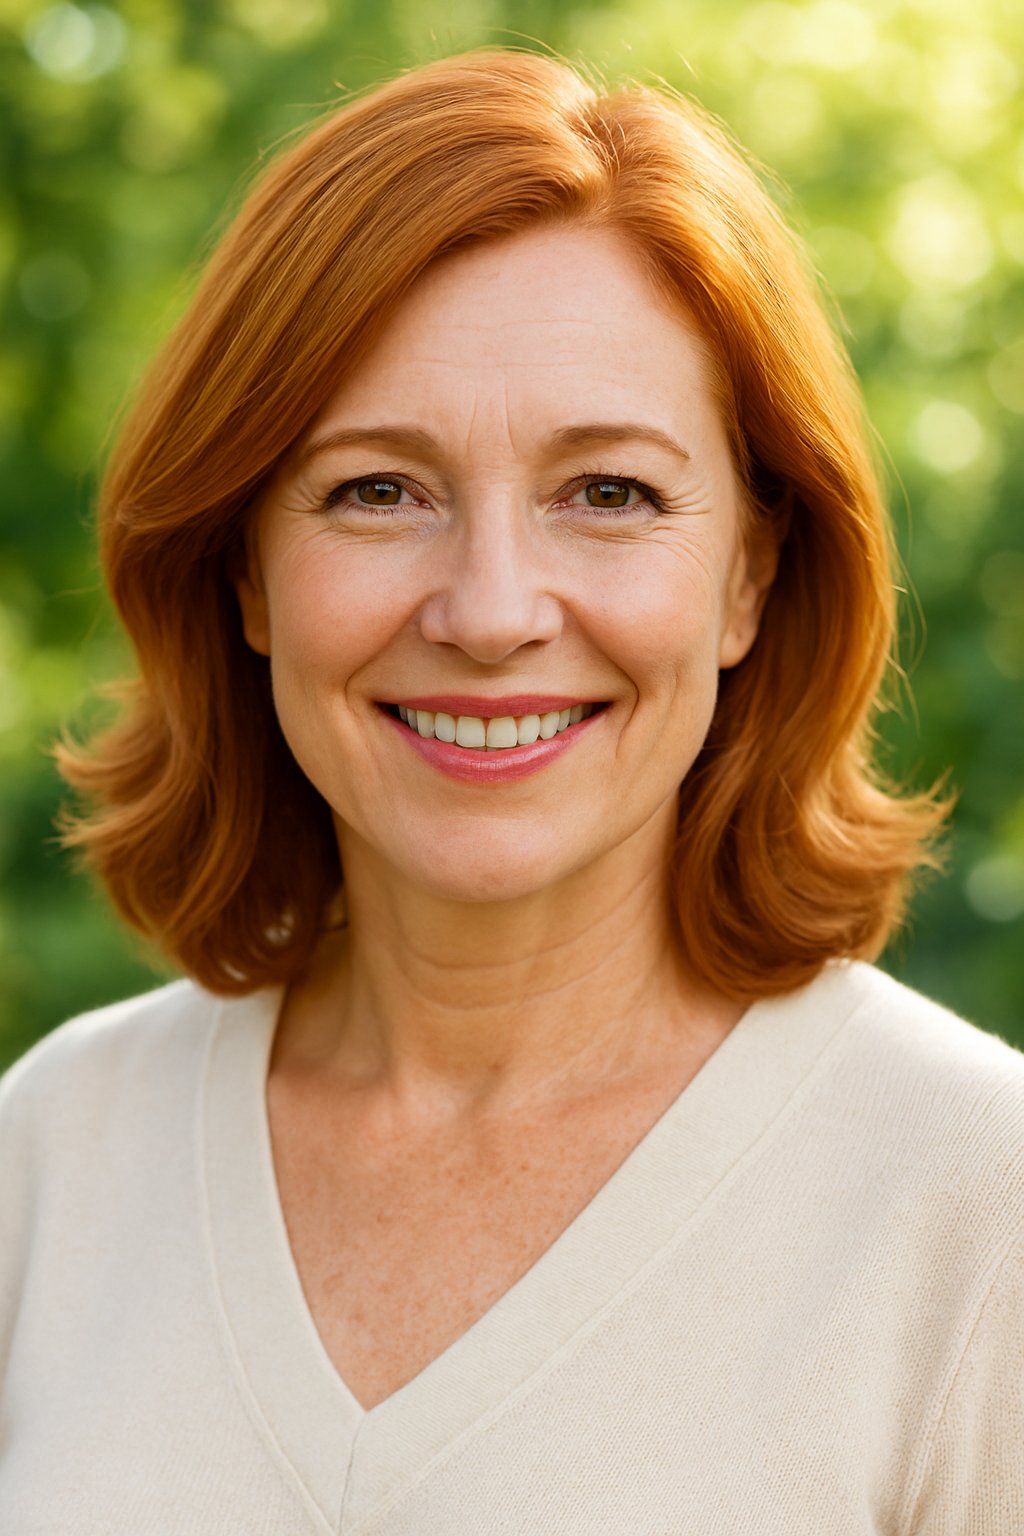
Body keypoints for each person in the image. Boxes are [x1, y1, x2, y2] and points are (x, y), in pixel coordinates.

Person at [1, 46, 1021, 1535]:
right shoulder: (56, 1154)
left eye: (607, 492)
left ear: (749, 572)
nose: (489, 611)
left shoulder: (973, 1200)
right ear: (245, 574)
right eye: (379, 491)